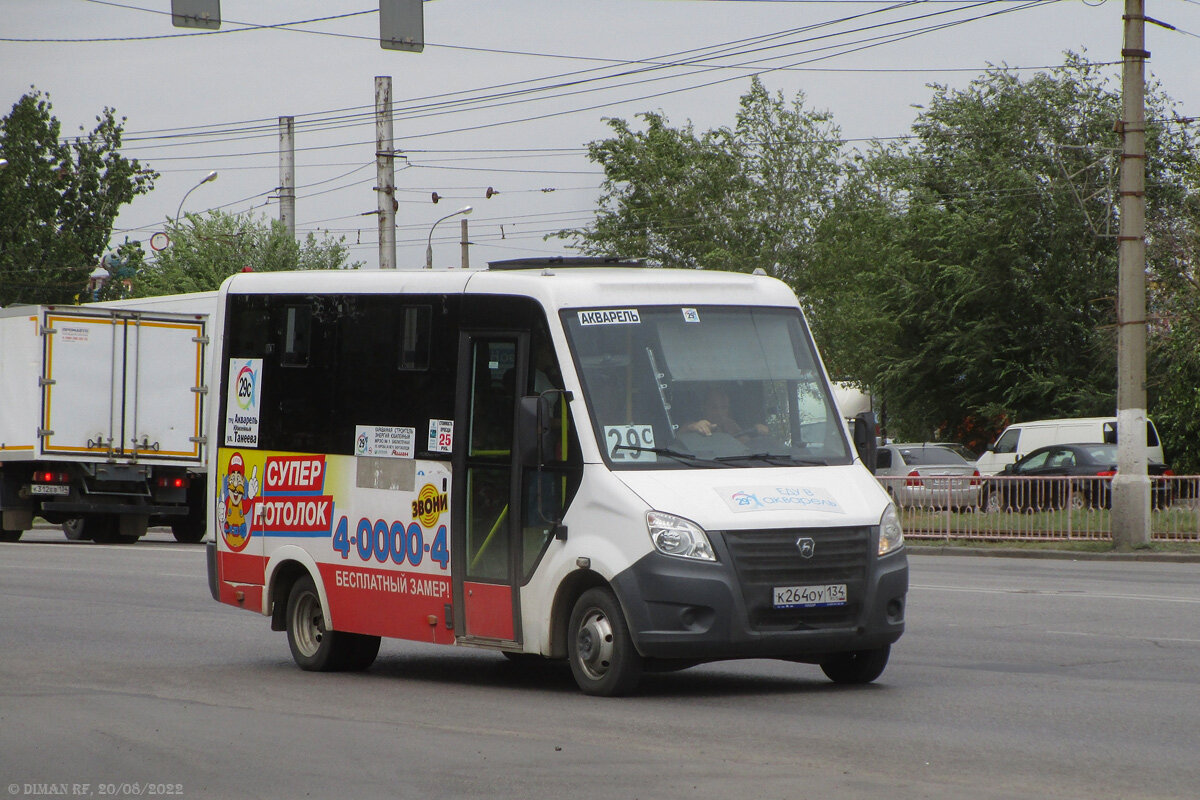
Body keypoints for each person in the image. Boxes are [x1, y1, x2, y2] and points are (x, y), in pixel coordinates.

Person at [681, 385, 769, 440]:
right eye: (714, 408)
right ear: (703, 408)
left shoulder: (731, 425)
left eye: (724, 407)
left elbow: (747, 447)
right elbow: (678, 435)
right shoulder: (697, 427)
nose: (719, 413)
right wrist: (692, 427)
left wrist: (757, 431)